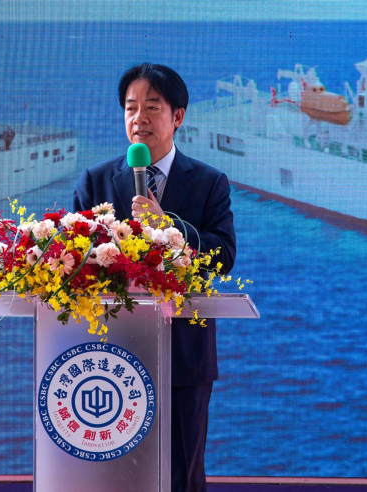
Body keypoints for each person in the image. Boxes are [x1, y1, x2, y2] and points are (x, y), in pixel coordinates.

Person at [72, 63, 236, 492]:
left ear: (177, 116)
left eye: (152, 107)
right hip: (108, 357)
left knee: (182, 475)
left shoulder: (208, 182)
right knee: (113, 477)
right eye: (130, 108)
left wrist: (171, 227)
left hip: (183, 355)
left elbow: (224, 256)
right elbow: (72, 259)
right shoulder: (95, 181)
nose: (138, 118)